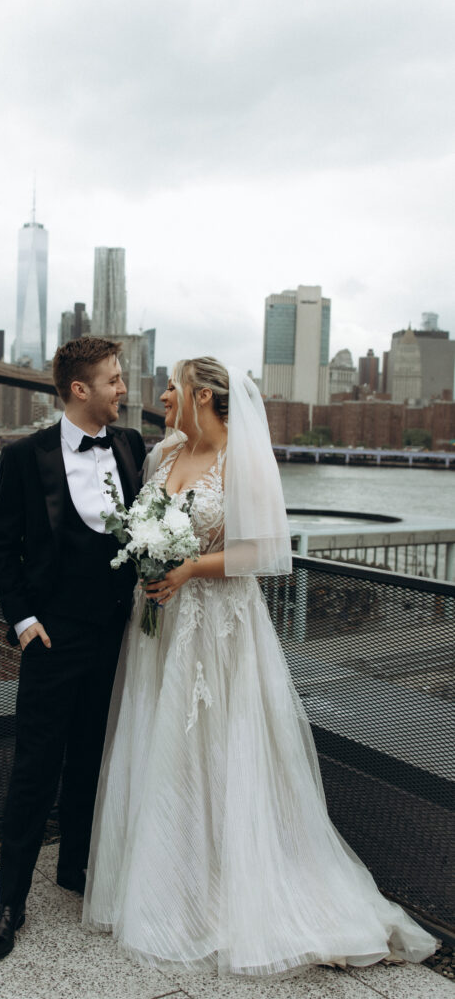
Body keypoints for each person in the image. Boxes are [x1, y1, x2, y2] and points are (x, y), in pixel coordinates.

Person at [83, 358, 438, 977]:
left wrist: (190, 567)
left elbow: (263, 553)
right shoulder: (164, 455)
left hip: (218, 629)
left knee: (221, 748)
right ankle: (170, 877)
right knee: (161, 745)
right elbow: (144, 525)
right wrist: (151, 562)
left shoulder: (240, 462)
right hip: (162, 628)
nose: (162, 396)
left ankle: (234, 884)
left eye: (172, 386)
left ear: (200, 395)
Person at [0, 336, 146, 963]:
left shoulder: (131, 446)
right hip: (53, 638)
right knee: (34, 769)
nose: (124, 390)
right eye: (114, 380)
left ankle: (75, 868)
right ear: (81, 389)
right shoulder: (26, 457)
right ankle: (8, 902)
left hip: (116, 635)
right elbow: (2, 548)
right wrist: (22, 620)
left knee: (91, 759)